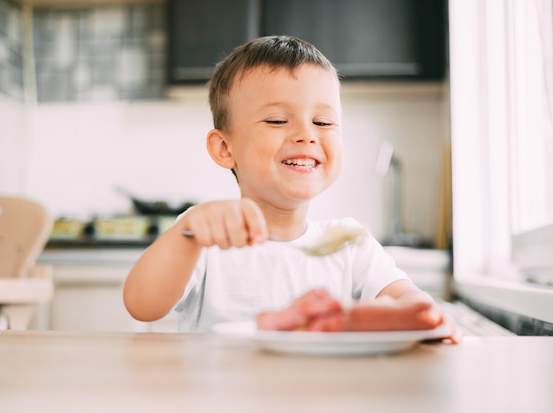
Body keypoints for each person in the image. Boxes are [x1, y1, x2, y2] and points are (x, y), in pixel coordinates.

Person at [123, 35, 459, 342]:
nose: (306, 135)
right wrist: (189, 233)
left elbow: (413, 303)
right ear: (225, 148)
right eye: (277, 120)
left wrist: (422, 317)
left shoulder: (350, 243)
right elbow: (142, 305)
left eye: (323, 122)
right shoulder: (205, 237)